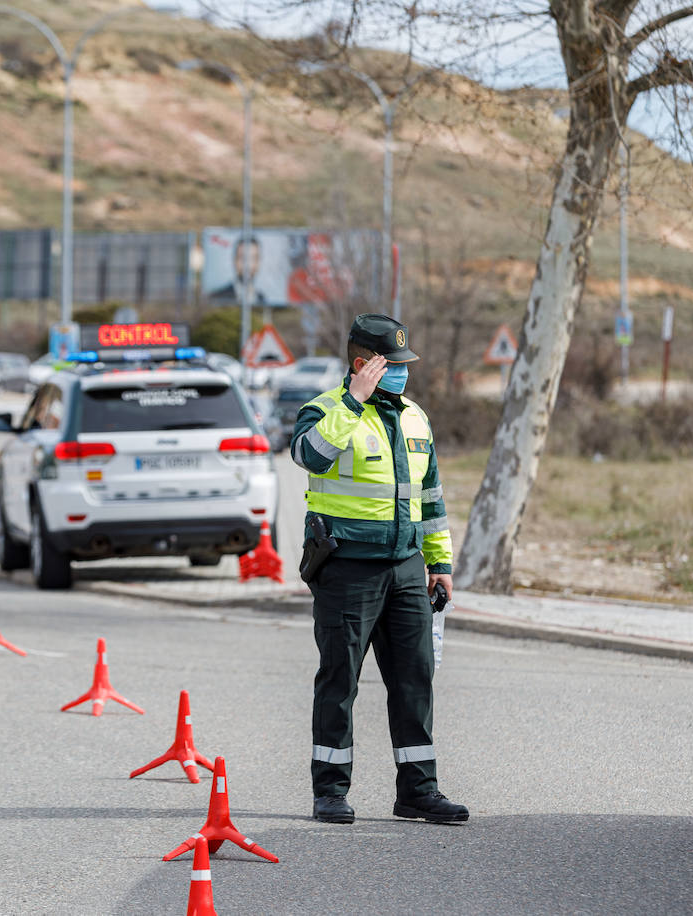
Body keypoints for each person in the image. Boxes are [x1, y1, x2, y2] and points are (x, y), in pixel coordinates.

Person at [290, 314, 469, 826]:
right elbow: (311, 456)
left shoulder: (415, 417)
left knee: (416, 680)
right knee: (339, 680)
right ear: (363, 363)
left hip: (407, 568)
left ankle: (418, 791)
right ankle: (330, 792)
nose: (402, 375)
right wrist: (353, 401)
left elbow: (430, 496)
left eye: (404, 366)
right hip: (347, 568)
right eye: (391, 365)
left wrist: (439, 562)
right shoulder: (325, 409)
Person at [207, 235, 260, 303]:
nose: (248, 265)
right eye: (243, 258)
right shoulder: (217, 297)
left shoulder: (260, 298)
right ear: (235, 260)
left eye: (253, 258)